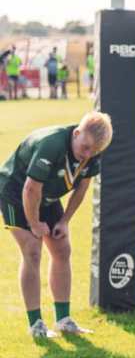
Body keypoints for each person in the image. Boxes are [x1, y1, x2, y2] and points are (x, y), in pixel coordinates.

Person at [0, 112, 113, 338]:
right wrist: (34, 224)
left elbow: (81, 188)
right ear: (77, 133)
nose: (87, 155)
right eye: (85, 147)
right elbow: (30, 189)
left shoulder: (92, 154)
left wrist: (64, 221)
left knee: (62, 249)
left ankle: (63, 320)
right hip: (15, 192)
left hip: (46, 196)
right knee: (33, 251)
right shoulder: (51, 145)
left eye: (94, 151)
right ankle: (36, 325)